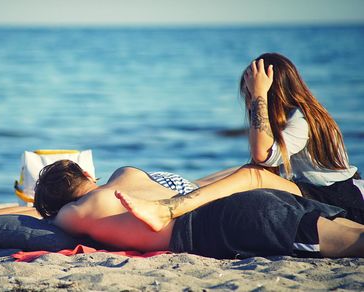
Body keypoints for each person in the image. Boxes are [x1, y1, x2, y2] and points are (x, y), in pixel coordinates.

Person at [0, 160, 363, 258]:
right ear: (84, 180)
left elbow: (18, 220)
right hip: (245, 208)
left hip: (232, 224)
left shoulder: (70, 217)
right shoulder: (124, 179)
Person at [117, 53, 364, 230]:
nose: (248, 100)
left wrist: (259, 95)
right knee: (240, 174)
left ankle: (168, 209)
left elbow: (261, 154)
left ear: (272, 92)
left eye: (249, 92)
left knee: (252, 174)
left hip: (341, 199)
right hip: (322, 192)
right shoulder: (292, 117)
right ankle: (173, 196)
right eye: (248, 93)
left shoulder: (303, 117)